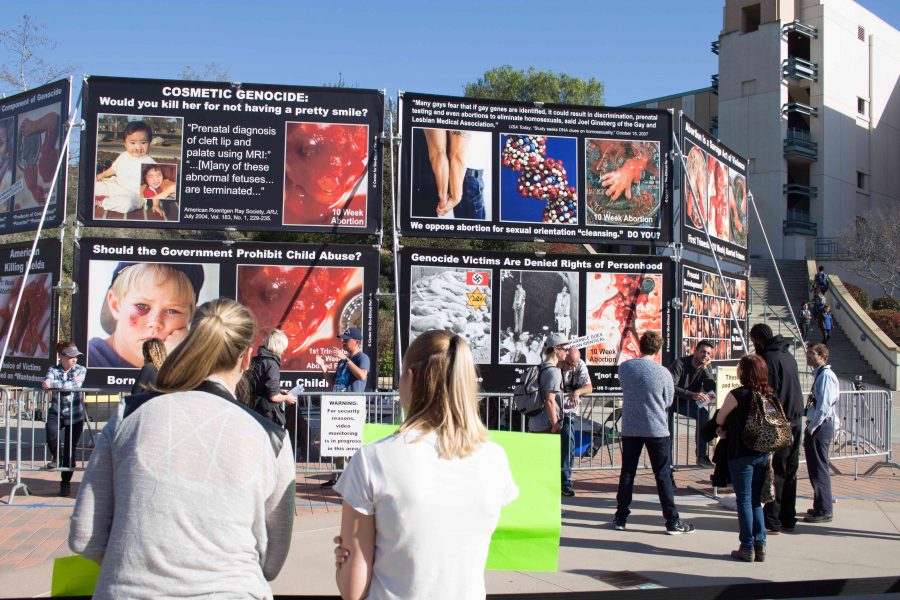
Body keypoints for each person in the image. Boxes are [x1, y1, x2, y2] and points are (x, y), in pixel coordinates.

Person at [69, 299, 296, 599]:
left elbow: (85, 536)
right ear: (246, 357)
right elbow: (272, 562)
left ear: (192, 342)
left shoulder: (130, 414)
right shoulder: (272, 438)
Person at [332, 330, 518, 600]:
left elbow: (353, 588)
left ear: (410, 377)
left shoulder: (372, 460)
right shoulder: (495, 459)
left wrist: (342, 564)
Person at [614, 331, 695, 534]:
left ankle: (620, 517)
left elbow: (625, 388)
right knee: (662, 475)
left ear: (640, 345)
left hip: (631, 427)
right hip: (657, 428)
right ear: (658, 349)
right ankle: (671, 520)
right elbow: (667, 400)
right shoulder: (663, 373)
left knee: (627, 473)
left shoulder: (625, 367)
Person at [88, 262, 204, 369]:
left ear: (191, 316)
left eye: (172, 311)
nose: (155, 322)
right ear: (115, 305)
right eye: (141, 306)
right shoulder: (84, 364)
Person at [715, 354, 774, 562]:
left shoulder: (737, 394)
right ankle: (760, 543)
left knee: (744, 500)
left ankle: (747, 546)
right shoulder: (767, 394)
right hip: (762, 452)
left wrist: (723, 426)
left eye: (740, 367)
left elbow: (720, 417)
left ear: (745, 371)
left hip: (740, 453)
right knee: (757, 500)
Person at [749, 323, 804, 534]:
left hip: (782, 420)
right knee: (790, 470)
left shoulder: (770, 360)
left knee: (776, 472)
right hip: (796, 418)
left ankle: (773, 519)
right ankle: (788, 516)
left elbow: (769, 395)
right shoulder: (787, 356)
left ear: (758, 340)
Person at [316, 326, 371, 488]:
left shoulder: (362, 357)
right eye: (343, 340)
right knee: (336, 442)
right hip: (337, 406)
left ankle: (355, 480)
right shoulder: (341, 360)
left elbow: (362, 375)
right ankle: (337, 478)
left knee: (352, 443)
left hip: (352, 407)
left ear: (357, 342)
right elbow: (333, 382)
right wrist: (323, 367)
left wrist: (346, 360)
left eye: (346, 340)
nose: (343, 343)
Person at [42, 342, 87, 497]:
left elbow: (74, 385)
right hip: (56, 411)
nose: (75, 359)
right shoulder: (53, 369)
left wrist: (54, 384)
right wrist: (54, 384)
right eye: (71, 356)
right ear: (62, 357)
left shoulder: (81, 369)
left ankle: (65, 483)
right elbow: (46, 383)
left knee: (70, 452)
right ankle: (57, 456)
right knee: (51, 432)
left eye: (76, 356)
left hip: (75, 415)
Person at [803, 343, 839, 523]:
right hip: (819, 425)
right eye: (808, 353)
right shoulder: (820, 375)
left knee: (819, 468)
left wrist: (812, 427)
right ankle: (820, 506)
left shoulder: (826, 376)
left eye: (812, 354)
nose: (808, 356)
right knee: (815, 467)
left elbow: (824, 405)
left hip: (820, 426)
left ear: (823, 357)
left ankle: (824, 509)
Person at [668, 340, 716, 467]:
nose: (705, 355)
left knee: (703, 414)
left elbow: (711, 388)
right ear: (695, 351)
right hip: (671, 402)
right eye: (703, 352)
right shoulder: (680, 363)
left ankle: (701, 456)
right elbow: (671, 387)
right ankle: (667, 464)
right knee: (668, 436)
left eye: (708, 354)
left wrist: (705, 369)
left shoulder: (706, 366)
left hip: (687, 402)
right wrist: (692, 395)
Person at [95, 120, 157, 215]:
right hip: (116, 186)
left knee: (126, 204)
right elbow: (113, 169)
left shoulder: (150, 163)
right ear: (125, 144)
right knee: (94, 186)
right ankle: (102, 196)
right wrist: (101, 175)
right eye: (133, 143)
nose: (138, 147)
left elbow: (155, 187)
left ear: (149, 143)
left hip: (134, 195)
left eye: (143, 143)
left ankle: (102, 202)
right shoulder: (124, 156)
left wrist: (156, 205)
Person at [247, 329, 297, 427]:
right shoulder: (272, 364)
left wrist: (279, 390)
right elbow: (274, 397)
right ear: (279, 346)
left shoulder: (255, 360)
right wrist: (287, 398)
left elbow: (259, 385)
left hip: (252, 410)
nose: (283, 351)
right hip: (267, 414)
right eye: (284, 347)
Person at [560, 345, 592, 497]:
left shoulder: (579, 365)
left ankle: (565, 482)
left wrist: (577, 392)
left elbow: (589, 386)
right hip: (551, 410)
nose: (570, 368)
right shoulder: (556, 364)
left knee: (568, 443)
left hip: (569, 412)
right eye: (568, 364)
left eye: (573, 365)